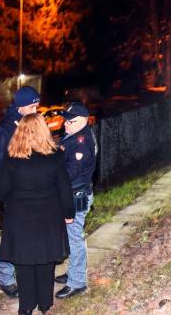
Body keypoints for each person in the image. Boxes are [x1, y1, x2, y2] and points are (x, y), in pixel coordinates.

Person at [0, 113, 74, 315]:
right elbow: (64, 188)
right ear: (43, 130)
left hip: (19, 217)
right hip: (48, 216)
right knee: (46, 260)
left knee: (23, 262)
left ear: (20, 132)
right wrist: (69, 212)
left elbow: (3, 190)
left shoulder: (11, 158)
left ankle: (26, 306)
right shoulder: (56, 156)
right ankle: (45, 303)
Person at [0, 86, 40, 298]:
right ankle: (5, 277)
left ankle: (27, 270)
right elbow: (5, 165)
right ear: (20, 107)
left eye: (37, 105)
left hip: (32, 189)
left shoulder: (28, 122)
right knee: (14, 235)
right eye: (32, 106)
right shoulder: (5, 131)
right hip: (16, 192)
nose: (36, 109)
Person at [54, 102, 96, 299]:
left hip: (76, 196)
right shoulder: (73, 136)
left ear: (83, 121)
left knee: (75, 238)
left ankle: (77, 282)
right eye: (65, 120)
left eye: (70, 121)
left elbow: (70, 173)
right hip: (71, 195)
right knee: (71, 238)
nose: (65, 124)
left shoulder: (81, 142)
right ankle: (73, 272)